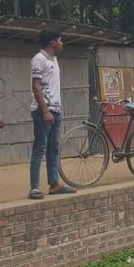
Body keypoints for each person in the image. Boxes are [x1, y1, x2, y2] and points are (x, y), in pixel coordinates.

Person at [27, 28, 77, 199]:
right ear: (52, 42)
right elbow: (36, 86)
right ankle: (34, 187)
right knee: (40, 148)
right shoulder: (38, 59)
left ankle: (54, 183)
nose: (62, 43)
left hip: (55, 110)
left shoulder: (54, 59)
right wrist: (45, 110)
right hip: (43, 111)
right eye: (60, 40)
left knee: (53, 148)